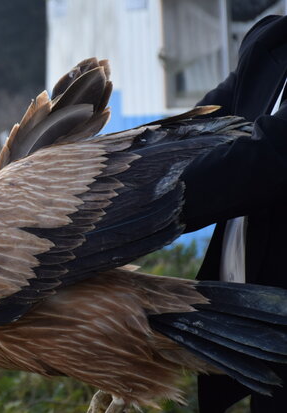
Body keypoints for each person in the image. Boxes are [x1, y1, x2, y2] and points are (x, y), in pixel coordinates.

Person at [180, 14, 287, 413]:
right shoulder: (271, 39)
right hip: (263, 337)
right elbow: (194, 130)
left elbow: (268, 156)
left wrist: (129, 208)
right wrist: (95, 168)